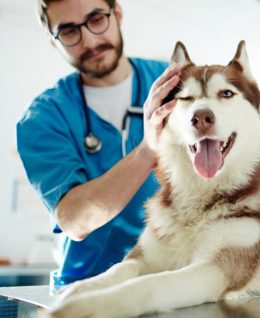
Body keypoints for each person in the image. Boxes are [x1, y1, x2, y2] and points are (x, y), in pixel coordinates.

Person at [16, 0, 180, 289]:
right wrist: (147, 151)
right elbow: (74, 220)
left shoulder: (171, 83)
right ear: (55, 43)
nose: (89, 40)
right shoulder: (44, 117)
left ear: (117, 14)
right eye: (68, 31)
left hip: (173, 279)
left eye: (96, 19)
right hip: (88, 288)